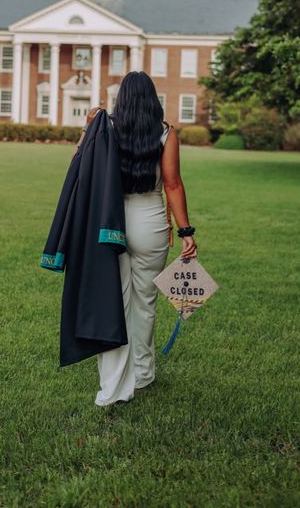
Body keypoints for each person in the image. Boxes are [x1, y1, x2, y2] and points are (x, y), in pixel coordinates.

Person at [76, 71, 197, 406]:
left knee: (114, 302)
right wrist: (186, 230)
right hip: (150, 222)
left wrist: (88, 128)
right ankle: (143, 373)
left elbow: (81, 169)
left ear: (122, 99)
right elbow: (172, 185)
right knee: (145, 303)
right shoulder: (166, 133)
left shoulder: (106, 127)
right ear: (152, 99)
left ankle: (115, 380)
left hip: (109, 221)